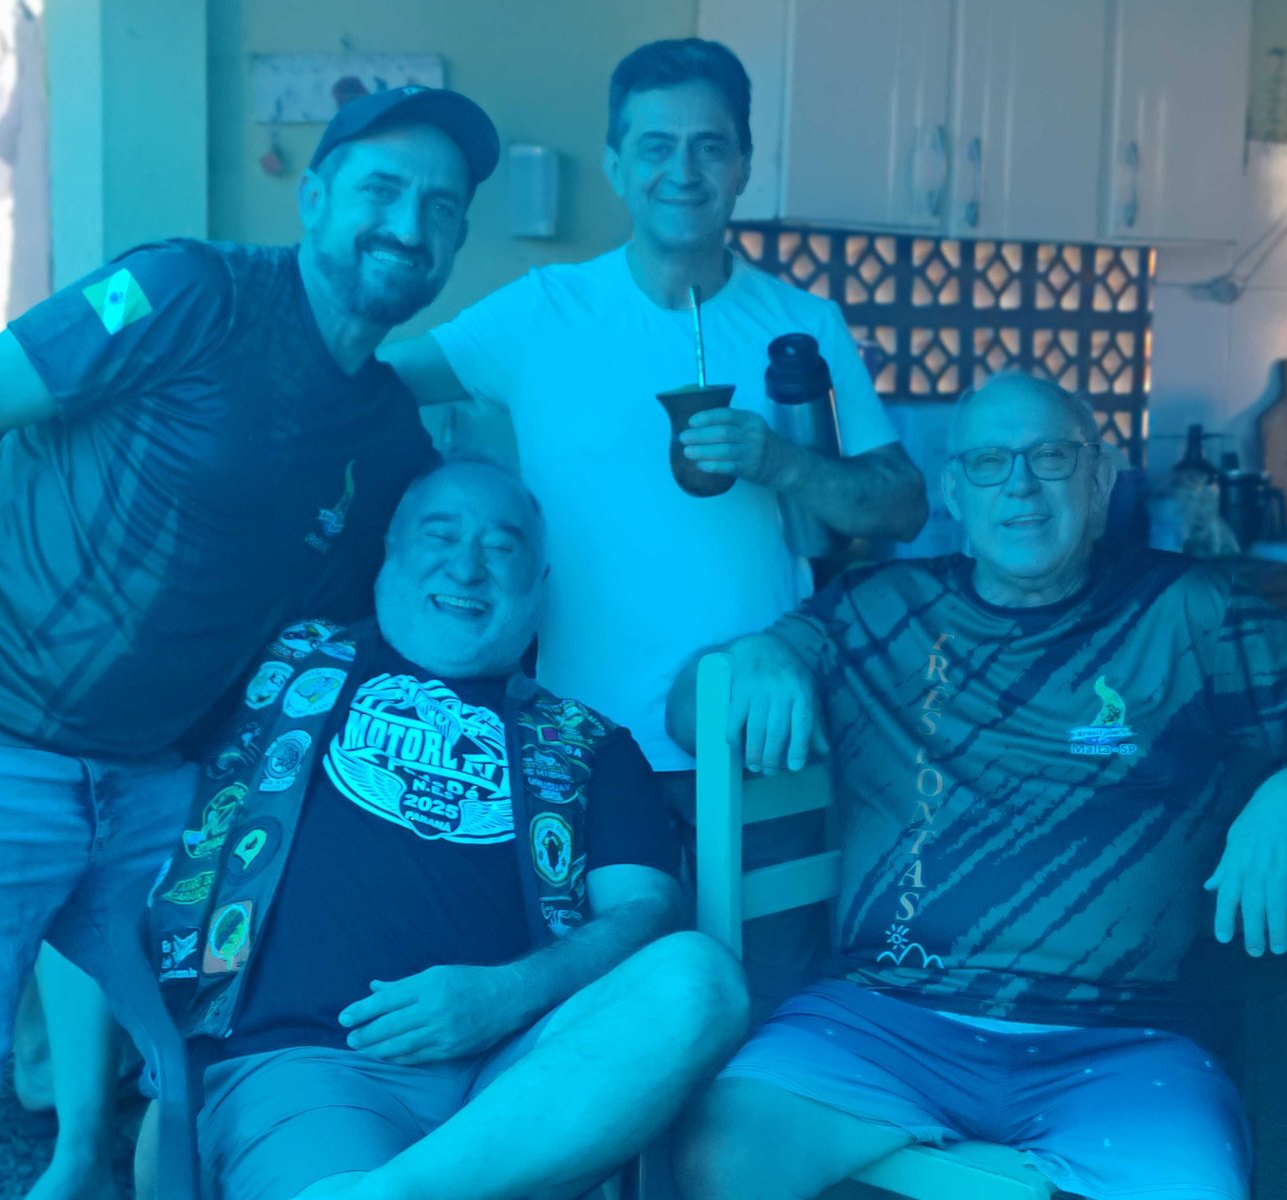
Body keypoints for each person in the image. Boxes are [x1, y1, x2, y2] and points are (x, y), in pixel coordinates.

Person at [0, 85, 499, 1200]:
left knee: (217, 1054)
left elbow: (367, 634)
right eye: (383, 189)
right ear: (313, 197)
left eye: (441, 207)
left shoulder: (389, 438)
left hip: (149, 781)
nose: (409, 224)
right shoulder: (183, 291)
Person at [667, 373, 1287, 1200]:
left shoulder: (1189, 612)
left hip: (1126, 1040)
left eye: (1051, 457)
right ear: (954, 493)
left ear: (1099, 480)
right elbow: (687, 717)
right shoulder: (879, 611)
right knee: (719, 1158)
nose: (1021, 486)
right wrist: (751, 657)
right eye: (990, 462)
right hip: (883, 1020)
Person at [384, 38, 926, 1008]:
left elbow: (902, 504)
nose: (684, 170)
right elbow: (379, 382)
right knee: (593, 1015)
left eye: (710, 146)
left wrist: (783, 461)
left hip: (758, 747)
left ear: (744, 164)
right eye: (657, 146)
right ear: (616, 164)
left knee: (765, 1008)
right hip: (576, 750)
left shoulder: (801, 323)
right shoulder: (544, 310)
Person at [142, 459, 749, 1200]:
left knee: (700, 980)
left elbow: (647, 911)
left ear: (539, 584)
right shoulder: (279, 666)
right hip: (310, 1068)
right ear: (390, 549)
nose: (466, 567)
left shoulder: (590, 742)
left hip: (521, 1078)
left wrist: (504, 995)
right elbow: (100, 763)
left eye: (501, 547)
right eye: (441, 534)